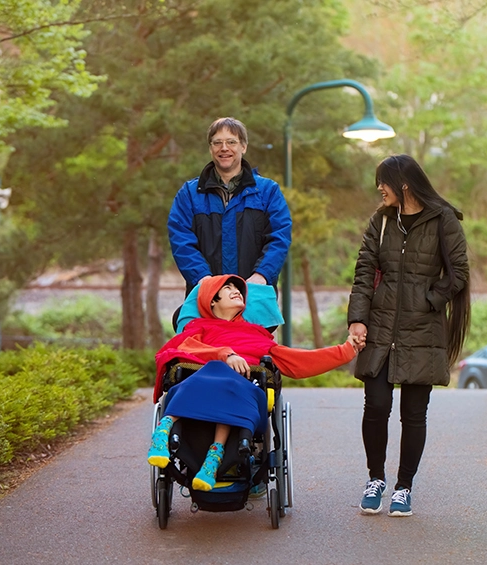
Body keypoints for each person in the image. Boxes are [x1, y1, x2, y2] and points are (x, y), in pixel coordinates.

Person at [148, 275, 360, 491]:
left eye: (238, 288)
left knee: (230, 378)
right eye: (227, 287)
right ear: (212, 300)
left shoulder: (256, 334)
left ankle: (207, 451)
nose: (237, 290)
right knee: (217, 369)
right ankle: (180, 438)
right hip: (203, 390)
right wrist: (225, 354)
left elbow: (299, 360)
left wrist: (345, 351)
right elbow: (181, 350)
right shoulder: (198, 328)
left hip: (244, 395)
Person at [347, 154, 471, 517]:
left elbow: (458, 271)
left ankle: (404, 487)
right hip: (381, 326)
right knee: (376, 406)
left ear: (402, 184)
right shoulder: (381, 221)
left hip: (423, 329)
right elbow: (364, 270)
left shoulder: (443, 219)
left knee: (414, 414)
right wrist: (358, 319)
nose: (379, 189)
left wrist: (429, 301)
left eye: (383, 182)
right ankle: (375, 479)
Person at [168, 117, 292, 295]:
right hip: (206, 298)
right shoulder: (189, 194)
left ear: (243, 146)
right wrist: (204, 279)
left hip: (254, 297)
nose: (224, 148)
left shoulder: (268, 192)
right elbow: (181, 240)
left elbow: (279, 238)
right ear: (211, 148)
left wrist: (261, 275)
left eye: (231, 142)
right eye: (217, 142)